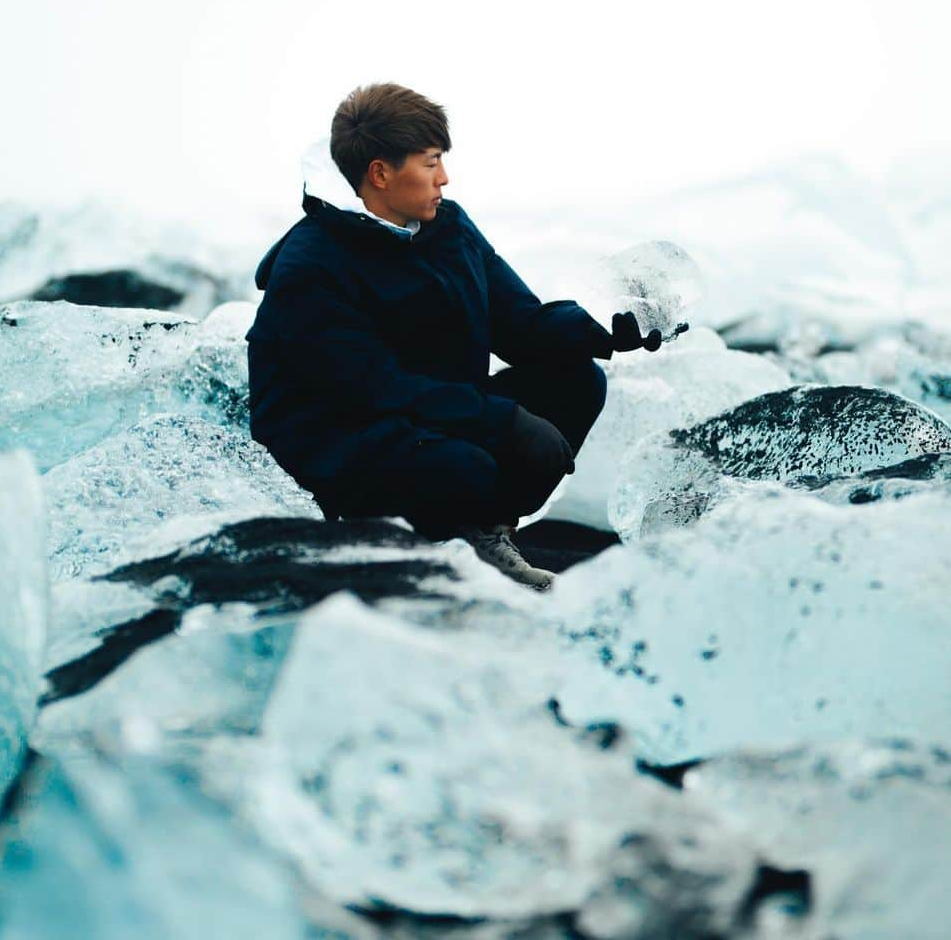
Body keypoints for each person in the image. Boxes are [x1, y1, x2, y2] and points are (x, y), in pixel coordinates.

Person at [245, 83, 663, 590]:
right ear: (380, 173)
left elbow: (520, 324)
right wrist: (503, 422)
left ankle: (481, 531)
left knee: (577, 382)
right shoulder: (310, 267)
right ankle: (437, 544)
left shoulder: (449, 227)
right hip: (336, 439)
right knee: (461, 464)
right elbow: (376, 389)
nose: (444, 177)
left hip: (423, 413)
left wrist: (604, 330)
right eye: (430, 163)